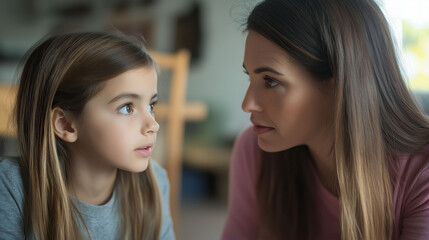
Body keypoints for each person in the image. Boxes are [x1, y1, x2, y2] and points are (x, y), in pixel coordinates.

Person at [222, 0, 429, 239]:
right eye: (251, 77)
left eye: (270, 81)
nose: (247, 104)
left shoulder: (422, 171)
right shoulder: (253, 150)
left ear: (339, 81)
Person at [0, 32, 175, 240]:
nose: (153, 125)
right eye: (127, 108)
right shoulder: (10, 187)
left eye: (151, 105)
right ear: (66, 124)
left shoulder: (155, 183)